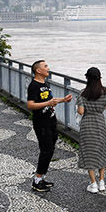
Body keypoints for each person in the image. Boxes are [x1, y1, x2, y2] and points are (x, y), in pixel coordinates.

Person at [26, 60, 71, 193]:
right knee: (46, 151)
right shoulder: (34, 85)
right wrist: (47, 104)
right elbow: (30, 105)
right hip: (42, 123)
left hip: (51, 121)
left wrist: (62, 100)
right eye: (45, 66)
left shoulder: (44, 84)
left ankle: (42, 178)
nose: (48, 68)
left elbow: (48, 101)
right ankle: (37, 180)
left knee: (50, 150)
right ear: (38, 70)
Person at [76, 67, 106, 194]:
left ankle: (93, 183)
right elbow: (105, 106)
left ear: (87, 78)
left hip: (87, 124)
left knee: (89, 152)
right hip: (100, 122)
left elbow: (81, 111)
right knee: (101, 150)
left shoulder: (82, 93)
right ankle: (102, 182)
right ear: (99, 77)